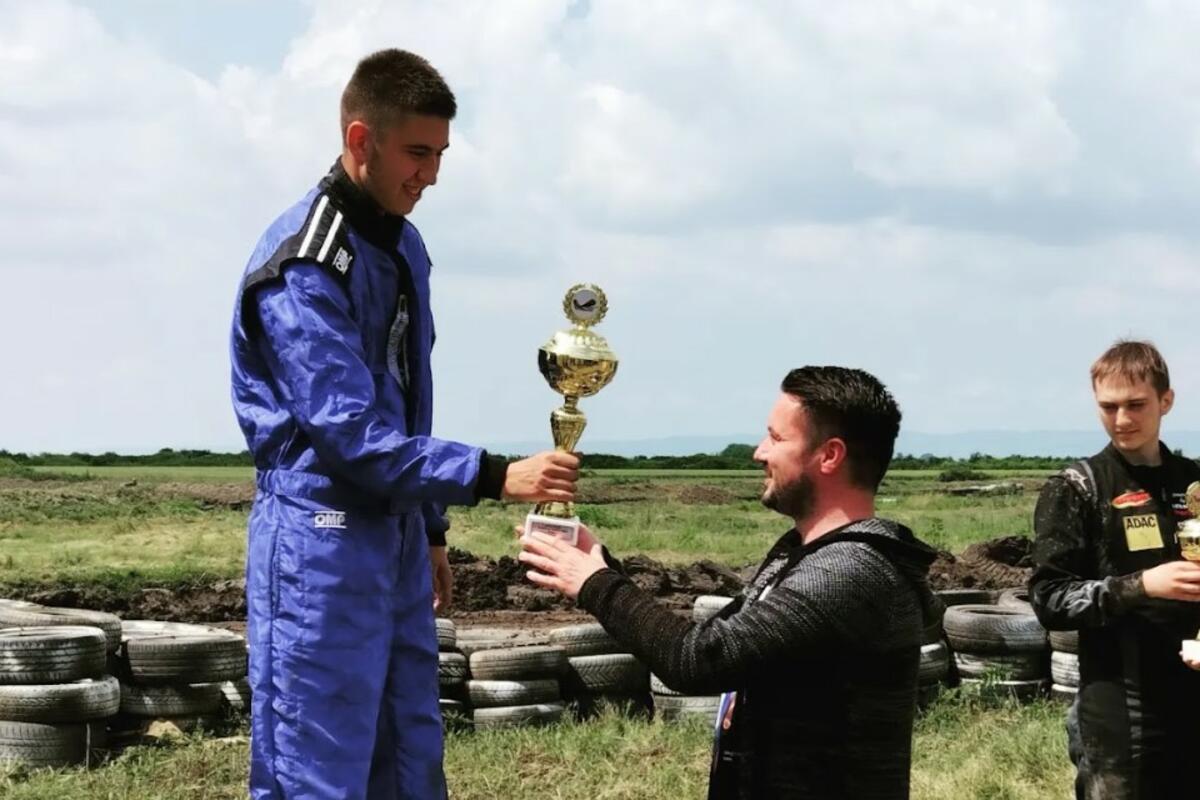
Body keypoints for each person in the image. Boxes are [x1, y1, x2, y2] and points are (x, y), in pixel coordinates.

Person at [229, 49, 579, 799]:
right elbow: (349, 432)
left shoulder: (404, 243)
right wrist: (493, 475)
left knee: (410, 750)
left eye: (441, 154)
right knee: (316, 764)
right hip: (318, 542)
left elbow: (408, 400)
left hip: (395, 536)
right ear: (362, 140)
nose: (432, 176)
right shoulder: (306, 264)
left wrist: (430, 531)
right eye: (418, 153)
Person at [519, 366, 940, 799]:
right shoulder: (808, 555)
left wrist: (596, 583)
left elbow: (699, 659)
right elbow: (719, 638)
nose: (759, 452)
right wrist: (600, 563)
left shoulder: (849, 572)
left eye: (776, 438)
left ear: (829, 455)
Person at [1029, 339, 1200, 799]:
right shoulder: (1077, 487)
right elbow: (1049, 599)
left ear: (1166, 401)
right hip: (1122, 712)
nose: (1122, 419)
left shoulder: (1194, 482)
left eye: (1136, 405)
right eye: (1109, 407)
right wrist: (1141, 585)